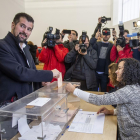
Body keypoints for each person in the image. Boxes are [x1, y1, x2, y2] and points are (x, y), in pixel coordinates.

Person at [66, 58, 140, 140]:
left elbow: (98, 100)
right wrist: (111, 111)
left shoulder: (129, 91)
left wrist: (74, 90)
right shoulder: (133, 87)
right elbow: (130, 110)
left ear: (128, 71)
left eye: (119, 68)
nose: (116, 71)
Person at [0, 13, 60, 107]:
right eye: (22, 26)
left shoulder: (25, 48)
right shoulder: (2, 46)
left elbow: (31, 72)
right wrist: (49, 74)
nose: (25, 31)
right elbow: (20, 72)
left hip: (26, 103)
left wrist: (40, 82)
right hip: (9, 106)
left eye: (29, 29)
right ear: (13, 25)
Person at [92, 28, 113, 92]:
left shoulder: (112, 46)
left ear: (110, 35)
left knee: (103, 91)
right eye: (104, 33)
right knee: (94, 91)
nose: (106, 35)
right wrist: (95, 37)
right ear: (101, 35)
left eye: (107, 34)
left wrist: (115, 37)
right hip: (95, 72)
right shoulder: (97, 44)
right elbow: (90, 44)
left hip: (105, 73)